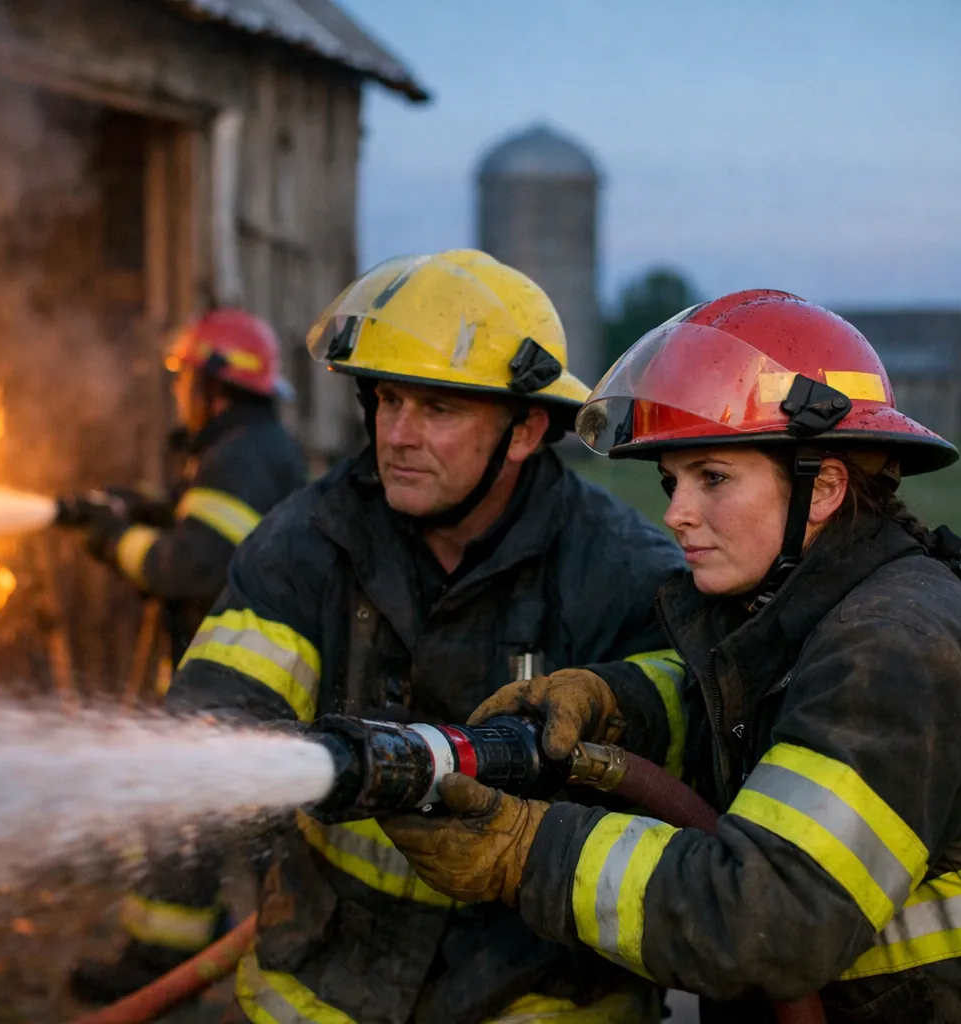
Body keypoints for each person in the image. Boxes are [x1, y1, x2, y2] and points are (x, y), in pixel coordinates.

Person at [381, 290, 961, 1023]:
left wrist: (528, 852)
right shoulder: (801, 611)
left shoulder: (892, 646)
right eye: (672, 482)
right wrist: (616, 704)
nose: (675, 513)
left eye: (712, 478)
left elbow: (769, 918)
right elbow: (745, 706)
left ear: (825, 491)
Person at [165, 250, 687, 1024]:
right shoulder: (311, 539)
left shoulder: (622, 575)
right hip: (324, 989)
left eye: (438, 409)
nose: (398, 435)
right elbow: (220, 699)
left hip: (537, 998)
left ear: (523, 431)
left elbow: (682, 786)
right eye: (386, 400)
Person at [69, 308, 307, 1003]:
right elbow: (197, 517)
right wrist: (135, 507)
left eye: (183, 378)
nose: (178, 392)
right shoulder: (242, 447)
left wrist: (115, 542)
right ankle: (180, 949)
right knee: (194, 817)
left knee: (180, 808)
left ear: (210, 384)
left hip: (242, 672)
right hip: (243, 668)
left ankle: (163, 962)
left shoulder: (239, 454)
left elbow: (193, 567)